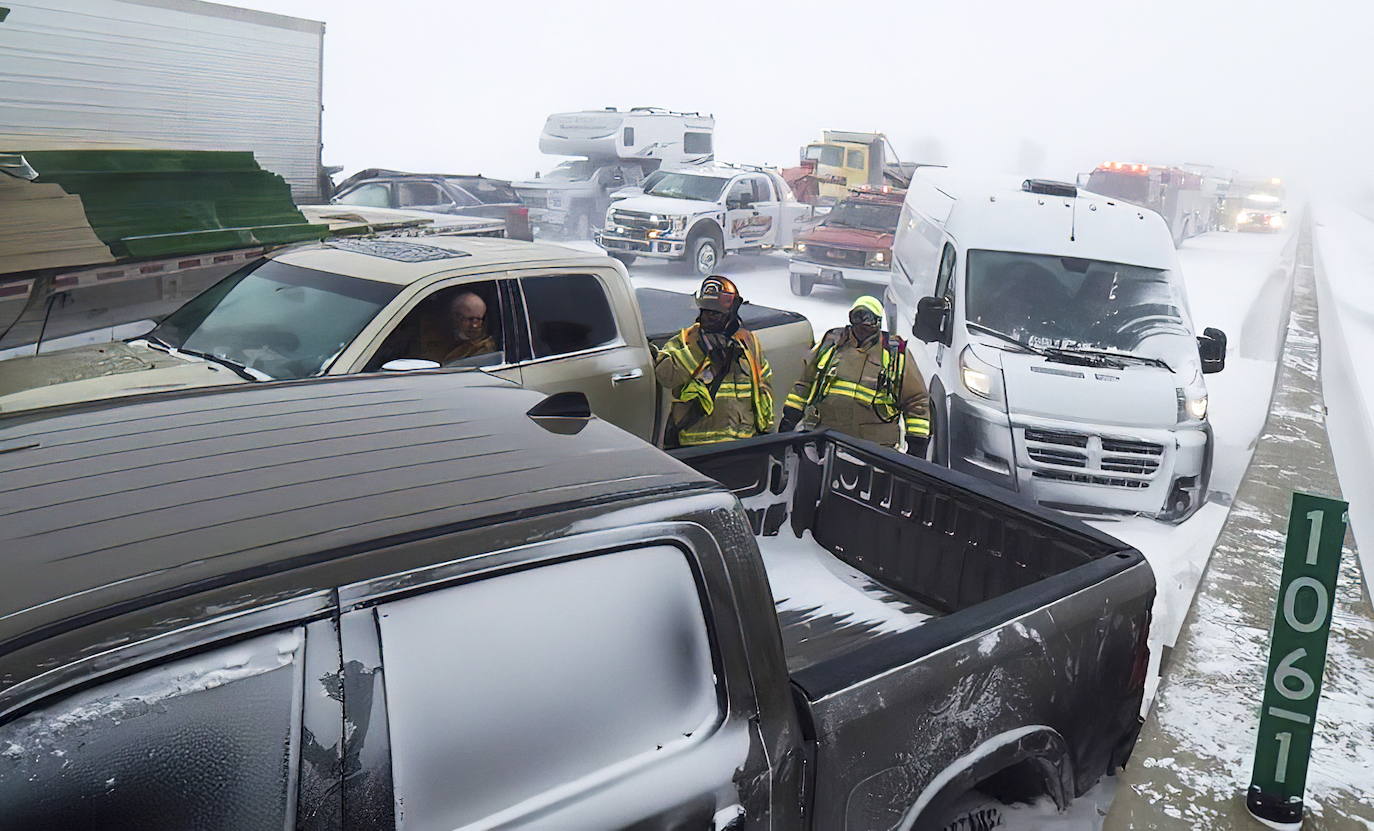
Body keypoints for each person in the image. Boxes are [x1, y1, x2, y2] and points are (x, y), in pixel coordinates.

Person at [780, 295, 930, 455]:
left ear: (878, 322)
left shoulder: (894, 354)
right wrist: (790, 419)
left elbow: (916, 401)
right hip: (826, 441)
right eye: (857, 317)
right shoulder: (832, 345)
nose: (861, 325)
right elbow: (804, 384)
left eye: (868, 319)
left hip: (875, 450)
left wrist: (917, 443)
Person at [654, 275, 773, 447]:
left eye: (716, 313)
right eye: (705, 312)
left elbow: (764, 388)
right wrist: (699, 350)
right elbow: (665, 376)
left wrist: (766, 430)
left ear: (731, 313)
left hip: (743, 444)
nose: (708, 318)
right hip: (698, 447)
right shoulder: (686, 341)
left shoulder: (748, 342)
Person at [433, 291, 497, 364]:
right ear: (455, 317)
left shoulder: (484, 349)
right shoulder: (436, 338)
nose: (474, 325)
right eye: (470, 319)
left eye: (478, 320)